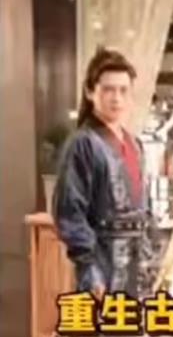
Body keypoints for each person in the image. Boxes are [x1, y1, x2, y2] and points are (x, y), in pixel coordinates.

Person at [53, 47, 156, 299]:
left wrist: (153, 255)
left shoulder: (135, 144)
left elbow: (145, 207)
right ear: (91, 92)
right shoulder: (83, 143)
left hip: (138, 262)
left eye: (123, 90)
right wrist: (89, 268)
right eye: (108, 90)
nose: (116, 98)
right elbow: (69, 212)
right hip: (103, 261)